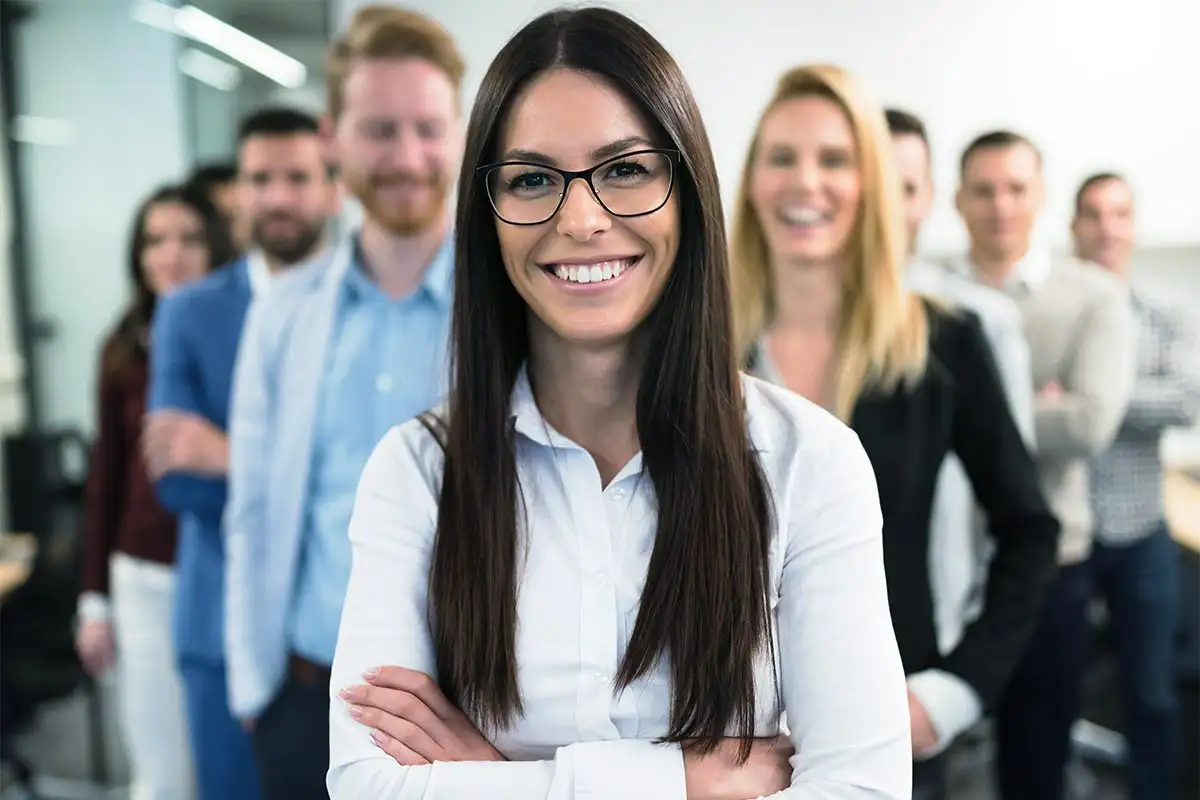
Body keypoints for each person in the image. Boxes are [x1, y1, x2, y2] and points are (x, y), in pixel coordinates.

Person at [326, 8, 912, 799]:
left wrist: (492, 779)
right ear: (486, 213)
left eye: (626, 169)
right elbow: (365, 787)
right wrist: (686, 779)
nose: (580, 219)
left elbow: (864, 790)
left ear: (687, 190)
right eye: (531, 179)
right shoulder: (418, 470)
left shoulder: (811, 462)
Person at [729, 65, 1061, 798]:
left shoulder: (943, 344)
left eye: (834, 159)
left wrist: (950, 696)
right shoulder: (699, 350)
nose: (804, 181)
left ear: (871, 184)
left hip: (888, 742)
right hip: (721, 750)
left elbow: (1030, 531)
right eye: (781, 156)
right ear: (751, 181)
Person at [223, 6, 462, 799]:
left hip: (468, 714)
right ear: (333, 138)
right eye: (379, 129)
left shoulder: (516, 306)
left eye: (428, 128)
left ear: (461, 131)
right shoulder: (283, 310)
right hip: (304, 697)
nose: (407, 157)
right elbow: (252, 508)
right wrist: (254, 690)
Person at [145, 107, 336, 800]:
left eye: (298, 177)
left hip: (338, 635)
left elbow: (366, 476)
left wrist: (229, 453)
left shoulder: (366, 305)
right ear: (238, 194)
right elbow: (179, 486)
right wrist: (309, 466)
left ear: (334, 187)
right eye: (260, 178)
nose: (278, 197)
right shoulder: (189, 312)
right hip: (218, 627)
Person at [944, 131, 1136, 800]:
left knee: (1036, 761)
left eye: (1016, 188)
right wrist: (1034, 404)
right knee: (927, 757)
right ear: (957, 200)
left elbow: (1089, 422)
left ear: (1041, 197)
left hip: (1050, 563)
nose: (1001, 205)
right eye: (984, 189)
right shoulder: (929, 300)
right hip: (945, 563)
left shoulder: (1093, 296)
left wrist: (966, 413)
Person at [76, 183, 233, 800]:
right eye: (155, 240)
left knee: (227, 764)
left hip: (223, 569)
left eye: (190, 238)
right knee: (164, 773)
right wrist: (93, 600)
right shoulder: (122, 349)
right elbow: (106, 481)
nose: (172, 254)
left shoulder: (242, 332)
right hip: (144, 576)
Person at [885, 107, 1036, 657]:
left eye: (903, 187)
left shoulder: (970, 322)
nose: (885, 206)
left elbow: (1015, 497)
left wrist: (977, 652)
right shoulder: (784, 325)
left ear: (929, 196)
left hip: (943, 606)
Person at [1074, 172, 1200, 800]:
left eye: (1118, 214)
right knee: (1046, 695)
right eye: (1093, 214)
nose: (1106, 228)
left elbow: (1187, 399)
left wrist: (1091, 399)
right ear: (1074, 226)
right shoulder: (1054, 305)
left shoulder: (1162, 312)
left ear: (1133, 226)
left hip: (1142, 527)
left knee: (1152, 693)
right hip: (1064, 533)